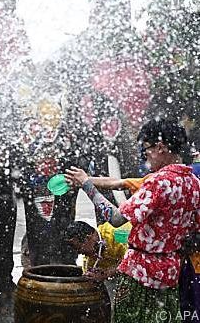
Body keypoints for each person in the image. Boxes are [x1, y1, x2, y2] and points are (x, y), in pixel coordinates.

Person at [66, 119, 200, 323]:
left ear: (161, 147)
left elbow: (117, 219)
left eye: (147, 149)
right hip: (171, 273)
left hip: (139, 275)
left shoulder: (158, 182)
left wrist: (87, 185)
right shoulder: (194, 183)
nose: (145, 155)